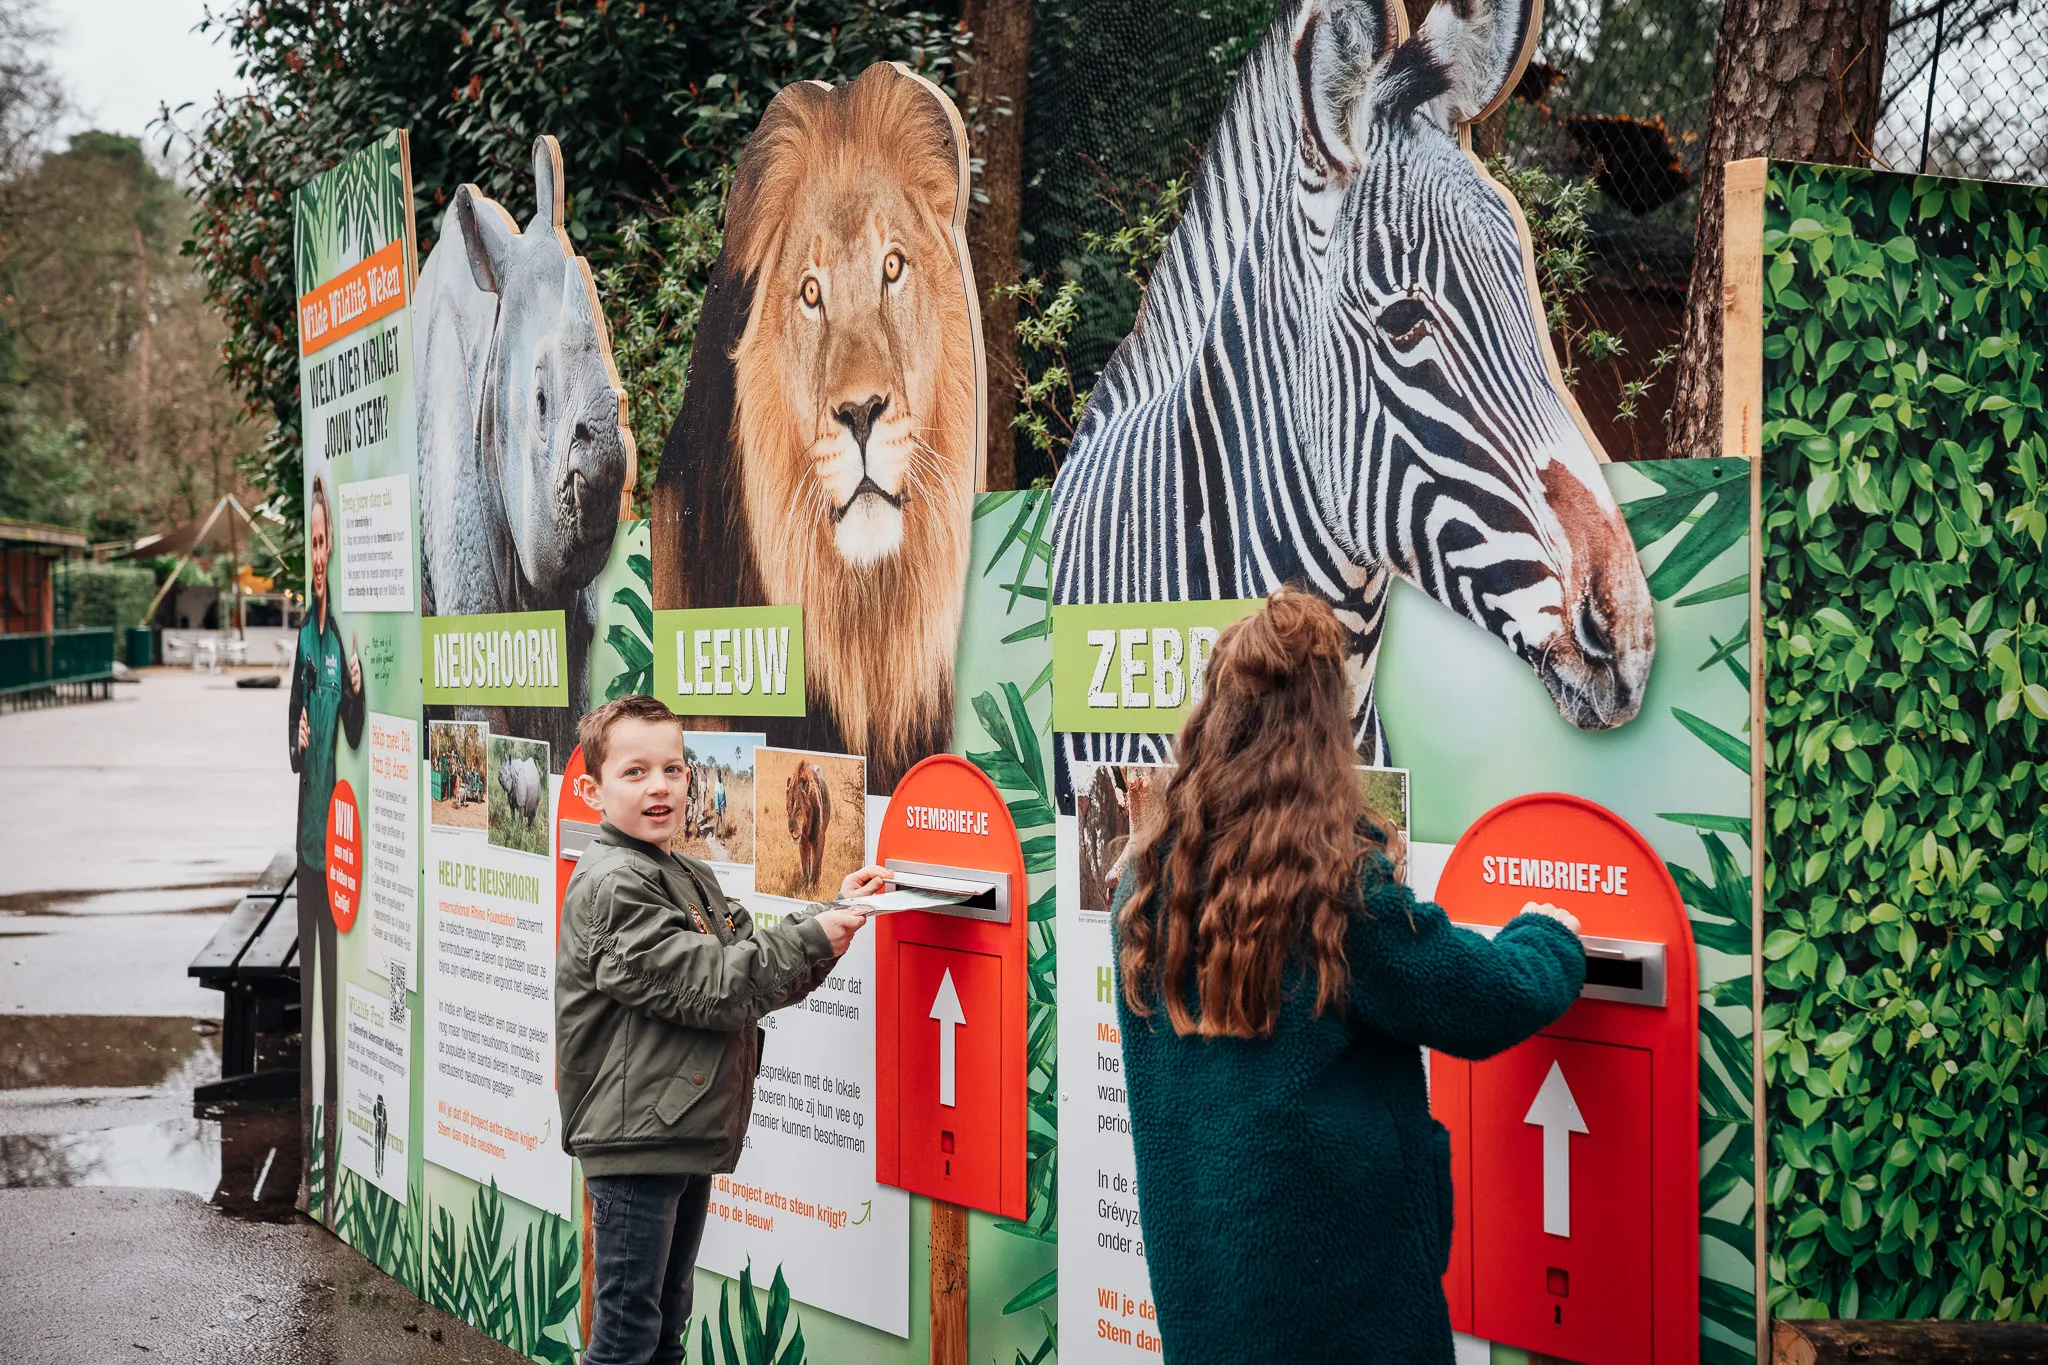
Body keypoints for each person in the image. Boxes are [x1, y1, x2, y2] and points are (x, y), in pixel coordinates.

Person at [1112, 590, 1586, 1364]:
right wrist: (1549, 934)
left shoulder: (1145, 892)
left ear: (1215, 716)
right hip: (1346, 1311)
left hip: (1210, 1310)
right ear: (1323, 729)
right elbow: (1486, 998)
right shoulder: (1336, 895)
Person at [557, 694, 888, 1365]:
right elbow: (711, 985)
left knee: (663, 1328)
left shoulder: (682, 872)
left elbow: (747, 971)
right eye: (636, 772)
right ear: (593, 790)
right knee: (625, 1339)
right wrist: (816, 935)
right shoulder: (616, 883)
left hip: (677, 1133)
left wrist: (833, 921)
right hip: (636, 1145)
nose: (660, 786)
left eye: (673, 770)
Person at [286, 475, 364, 1215]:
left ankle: (335, 1148)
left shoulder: (336, 639)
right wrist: (295, 736)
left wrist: (361, 691)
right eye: (309, 541)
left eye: (322, 538)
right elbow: (292, 734)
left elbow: (353, 734)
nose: (317, 552)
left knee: (335, 999)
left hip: (337, 848)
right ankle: (314, 1137)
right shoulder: (305, 638)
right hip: (307, 844)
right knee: (309, 995)